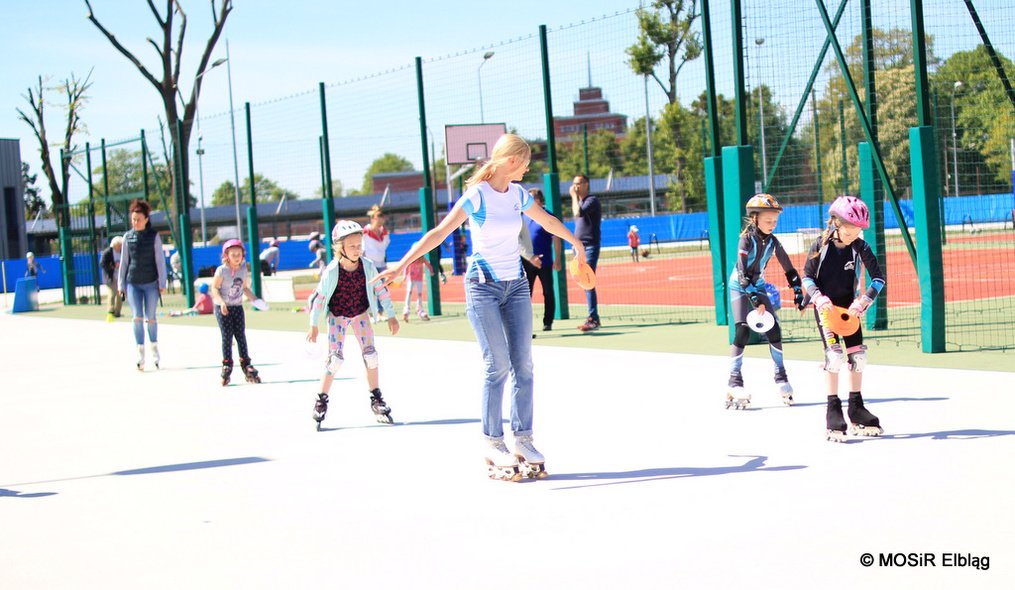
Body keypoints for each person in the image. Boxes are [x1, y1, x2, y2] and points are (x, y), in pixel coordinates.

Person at [373, 133, 586, 481]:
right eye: (527, 161)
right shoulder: (476, 196)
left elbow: (546, 220)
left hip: (515, 285)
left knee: (524, 366)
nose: (529, 167)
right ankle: (492, 441)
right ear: (512, 161)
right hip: (482, 287)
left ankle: (524, 438)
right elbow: (439, 233)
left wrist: (575, 242)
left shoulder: (517, 194)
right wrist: (400, 264)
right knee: (497, 365)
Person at [803, 196, 886, 442]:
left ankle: (857, 407)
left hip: (850, 311)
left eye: (859, 229)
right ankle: (833, 409)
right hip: (827, 310)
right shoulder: (820, 244)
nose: (854, 233)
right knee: (834, 356)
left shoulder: (861, 246)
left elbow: (878, 279)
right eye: (850, 228)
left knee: (858, 357)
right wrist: (818, 298)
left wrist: (864, 301)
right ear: (836, 224)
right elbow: (807, 277)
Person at [307, 220, 400, 430]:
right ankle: (321, 400)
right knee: (335, 360)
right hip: (338, 316)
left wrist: (392, 315)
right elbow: (320, 298)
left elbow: (381, 290)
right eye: (352, 246)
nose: (357, 250)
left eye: (359, 245)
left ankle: (376, 399)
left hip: (360, 314)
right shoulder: (332, 271)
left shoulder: (367, 266)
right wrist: (313, 324)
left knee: (371, 356)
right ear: (340, 248)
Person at [725, 194, 804, 410]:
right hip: (738, 287)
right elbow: (742, 275)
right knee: (742, 330)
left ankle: (781, 377)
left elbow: (789, 268)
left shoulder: (773, 242)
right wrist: (755, 299)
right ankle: (734, 381)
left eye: (775, 221)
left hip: (758, 286)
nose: (772, 225)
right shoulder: (746, 240)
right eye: (768, 221)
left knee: (774, 329)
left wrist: (798, 292)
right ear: (755, 219)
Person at [117, 199, 167, 371]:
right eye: (133, 219)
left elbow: (160, 260)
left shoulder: (154, 236)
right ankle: (140, 351)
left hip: (151, 283)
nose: (135, 222)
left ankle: (154, 348)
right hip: (133, 283)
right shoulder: (127, 237)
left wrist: (162, 282)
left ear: (146, 219)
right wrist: (121, 284)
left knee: (150, 317)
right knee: (137, 317)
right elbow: (124, 262)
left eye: (138, 219)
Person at [211, 239, 261, 386]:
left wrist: (255, 299)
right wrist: (221, 302)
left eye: (239, 254)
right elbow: (214, 288)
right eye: (233, 254)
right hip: (223, 307)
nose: (236, 257)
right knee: (227, 336)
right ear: (227, 256)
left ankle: (246, 364)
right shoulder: (222, 270)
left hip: (237, 306)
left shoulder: (243, 269)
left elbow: (244, 288)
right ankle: (227, 364)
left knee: (240, 335)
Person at [524, 188, 563, 332]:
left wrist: (557, 259)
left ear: (539, 200)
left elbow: (557, 240)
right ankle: (526, 326)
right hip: (527, 263)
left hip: (544, 262)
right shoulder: (524, 216)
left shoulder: (548, 216)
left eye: (531, 199)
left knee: (547, 292)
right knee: (525, 295)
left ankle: (548, 322)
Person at [570, 173, 601, 332]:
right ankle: (593, 317)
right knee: (584, 281)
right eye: (574, 184)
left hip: (590, 246)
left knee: (588, 280)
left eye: (579, 183)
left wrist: (574, 197)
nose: (576, 186)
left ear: (586, 184)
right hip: (579, 247)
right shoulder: (580, 202)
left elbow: (578, 213)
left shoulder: (591, 200)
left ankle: (593, 319)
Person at [363, 205, 391, 322]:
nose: (380, 223)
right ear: (372, 219)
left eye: (382, 220)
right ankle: (370, 314)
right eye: (378, 220)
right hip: (370, 264)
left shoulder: (383, 232)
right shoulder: (366, 231)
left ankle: (379, 313)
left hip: (381, 264)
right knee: (370, 289)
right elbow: (361, 247)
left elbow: (385, 244)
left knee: (381, 289)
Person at [400, 242, 434, 322]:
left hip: (419, 280)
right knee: (409, 293)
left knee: (419, 295)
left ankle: (420, 309)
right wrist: (405, 276)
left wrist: (431, 271)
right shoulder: (410, 259)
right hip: (411, 279)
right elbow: (406, 267)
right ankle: (406, 309)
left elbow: (428, 264)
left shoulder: (422, 259)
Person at [100, 237, 124, 319]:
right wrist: (112, 266)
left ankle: (117, 311)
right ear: (115, 245)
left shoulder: (122, 251)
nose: (120, 246)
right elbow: (102, 263)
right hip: (111, 275)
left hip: (120, 275)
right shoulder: (108, 252)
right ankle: (110, 310)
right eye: (119, 245)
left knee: (119, 293)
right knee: (112, 292)